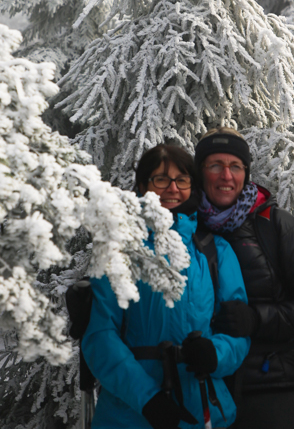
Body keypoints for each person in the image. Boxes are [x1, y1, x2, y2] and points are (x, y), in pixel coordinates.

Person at [81, 144, 251, 429]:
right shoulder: (118, 251)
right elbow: (100, 335)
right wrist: (147, 399)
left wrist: (215, 354)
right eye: (161, 179)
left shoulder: (214, 251)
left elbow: (237, 331)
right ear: (141, 186)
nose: (172, 188)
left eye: (181, 179)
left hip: (203, 408)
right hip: (130, 413)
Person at [194, 128, 294, 429]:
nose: (226, 176)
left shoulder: (273, 224)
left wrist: (256, 320)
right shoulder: (183, 229)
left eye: (236, 166)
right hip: (202, 388)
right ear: (200, 172)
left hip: (271, 389)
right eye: (215, 165)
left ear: (246, 173)